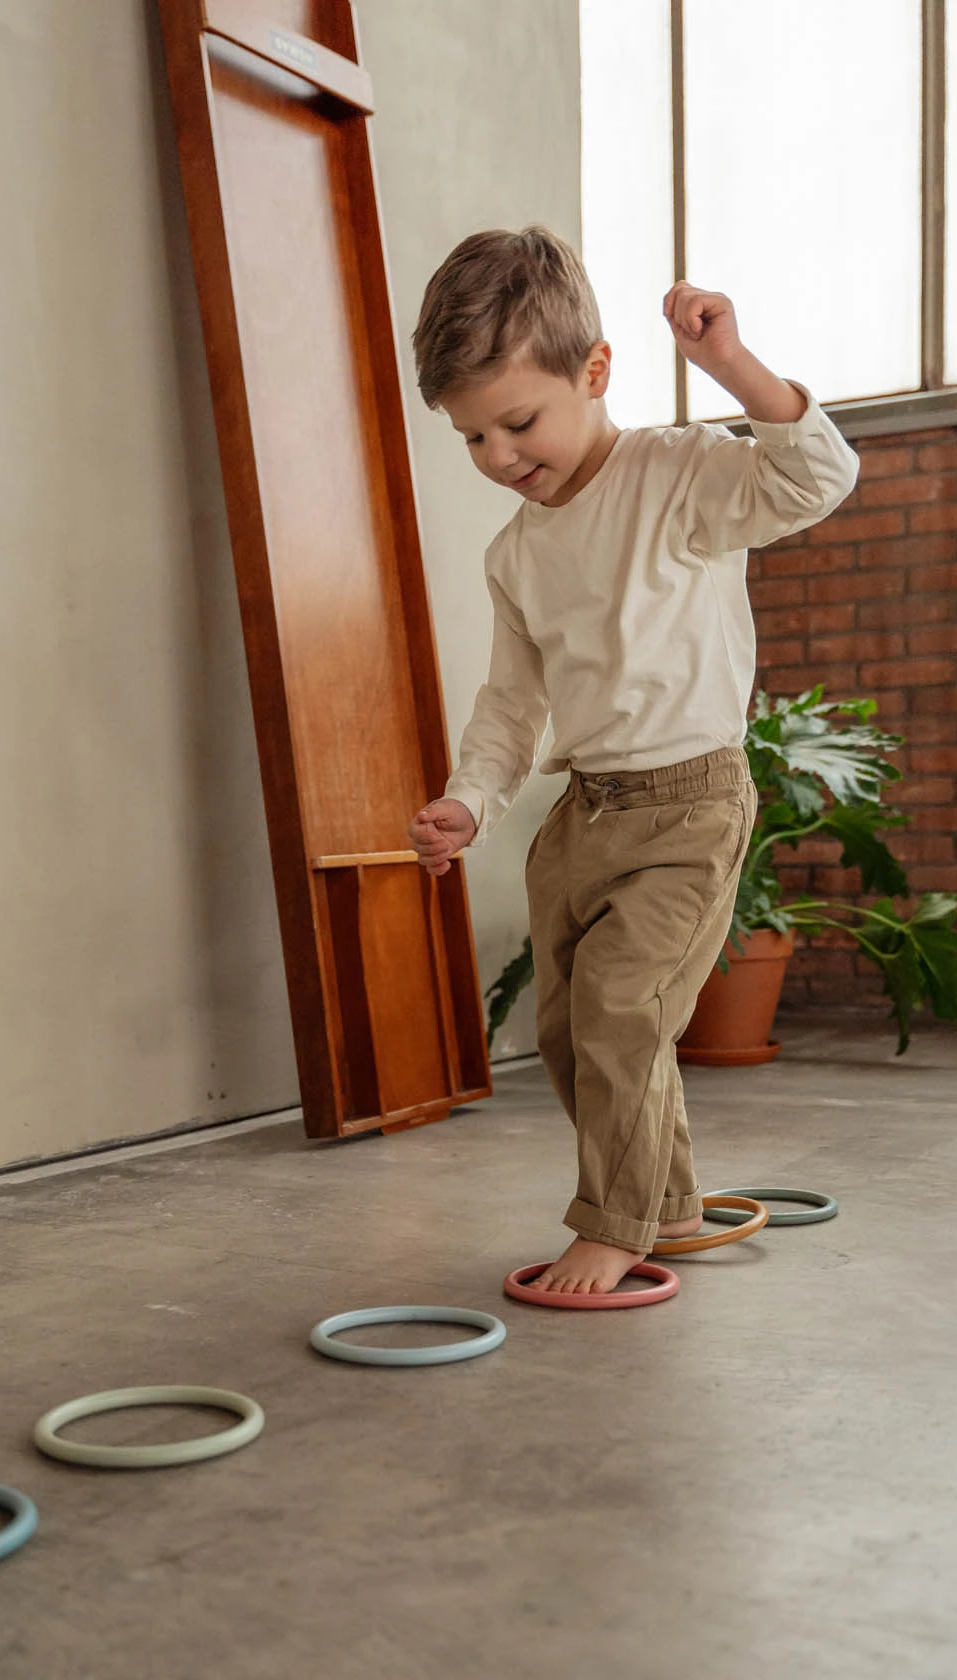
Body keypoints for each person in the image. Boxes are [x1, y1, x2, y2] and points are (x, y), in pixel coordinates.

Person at [406, 227, 859, 1296]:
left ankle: (612, 1226)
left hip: (688, 804)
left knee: (624, 1012)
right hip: (584, 817)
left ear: (596, 372)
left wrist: (733, 371)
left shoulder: (682, 475)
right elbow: (512, 703)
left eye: (518, 422)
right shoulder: (514, 553)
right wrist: (470, 801)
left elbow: (821, 478)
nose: (501, 457)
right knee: (571, 1030)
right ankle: (664, 1205)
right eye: (473, 438)